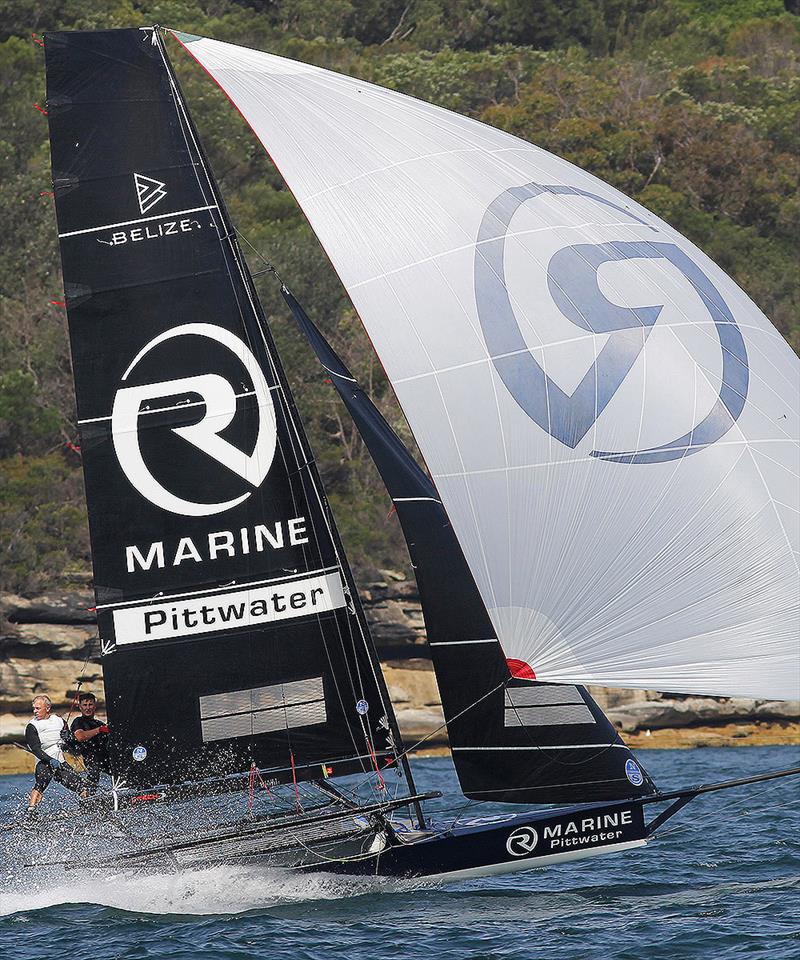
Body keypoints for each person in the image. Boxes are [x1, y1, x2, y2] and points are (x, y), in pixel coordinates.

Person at [25, 695, 88, 812]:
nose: (35, 711)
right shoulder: (32, 726)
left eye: (38, 708)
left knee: (79, 785)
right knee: (40, 783)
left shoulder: (59, 721)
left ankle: (89, 805)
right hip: (44, 761)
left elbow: (71, 744)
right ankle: (31, 810)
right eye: (34, 708)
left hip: (60, 762)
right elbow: (36, 749)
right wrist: (50, 760)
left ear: (47, 708)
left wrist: (68, 738)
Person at [69, 692, 111, 791]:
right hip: (91, 757)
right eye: (85, 705)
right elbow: (80, 736)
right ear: (80, 707)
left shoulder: (99, 723)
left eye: (90, 704)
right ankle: (87, 795)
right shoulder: (78, 721)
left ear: (94, 706)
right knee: (94, 771)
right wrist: (99, 730)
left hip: (106, 756)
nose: (88, 708)